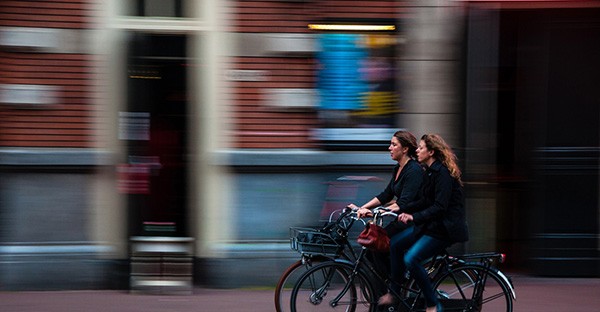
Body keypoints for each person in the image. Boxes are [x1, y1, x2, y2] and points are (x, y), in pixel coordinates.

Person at [379, 133, 469, 312]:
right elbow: (424, 201)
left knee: (411, 258)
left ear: (431, 152)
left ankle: (433, 304)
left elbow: (439, 207)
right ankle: (394, 293)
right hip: (431, 225)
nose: (417, 150)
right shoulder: (429, 172)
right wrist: (399, 209)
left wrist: (413, 217)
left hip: (444, 229)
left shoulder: (442, 173)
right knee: (395, 244)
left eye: (420, 148)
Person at [346, 130, 425, 285]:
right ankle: (393, 287)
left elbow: (404, 202)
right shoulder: (398, 169)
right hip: (399, 220)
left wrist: (378, 212)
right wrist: (361, 208)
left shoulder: (414, 170)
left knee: (378, 247)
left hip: (412, 221)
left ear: (405, 149)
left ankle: (396, 287)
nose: (389, 148)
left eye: (394, 144)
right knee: (373, 250)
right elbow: (386, 195)